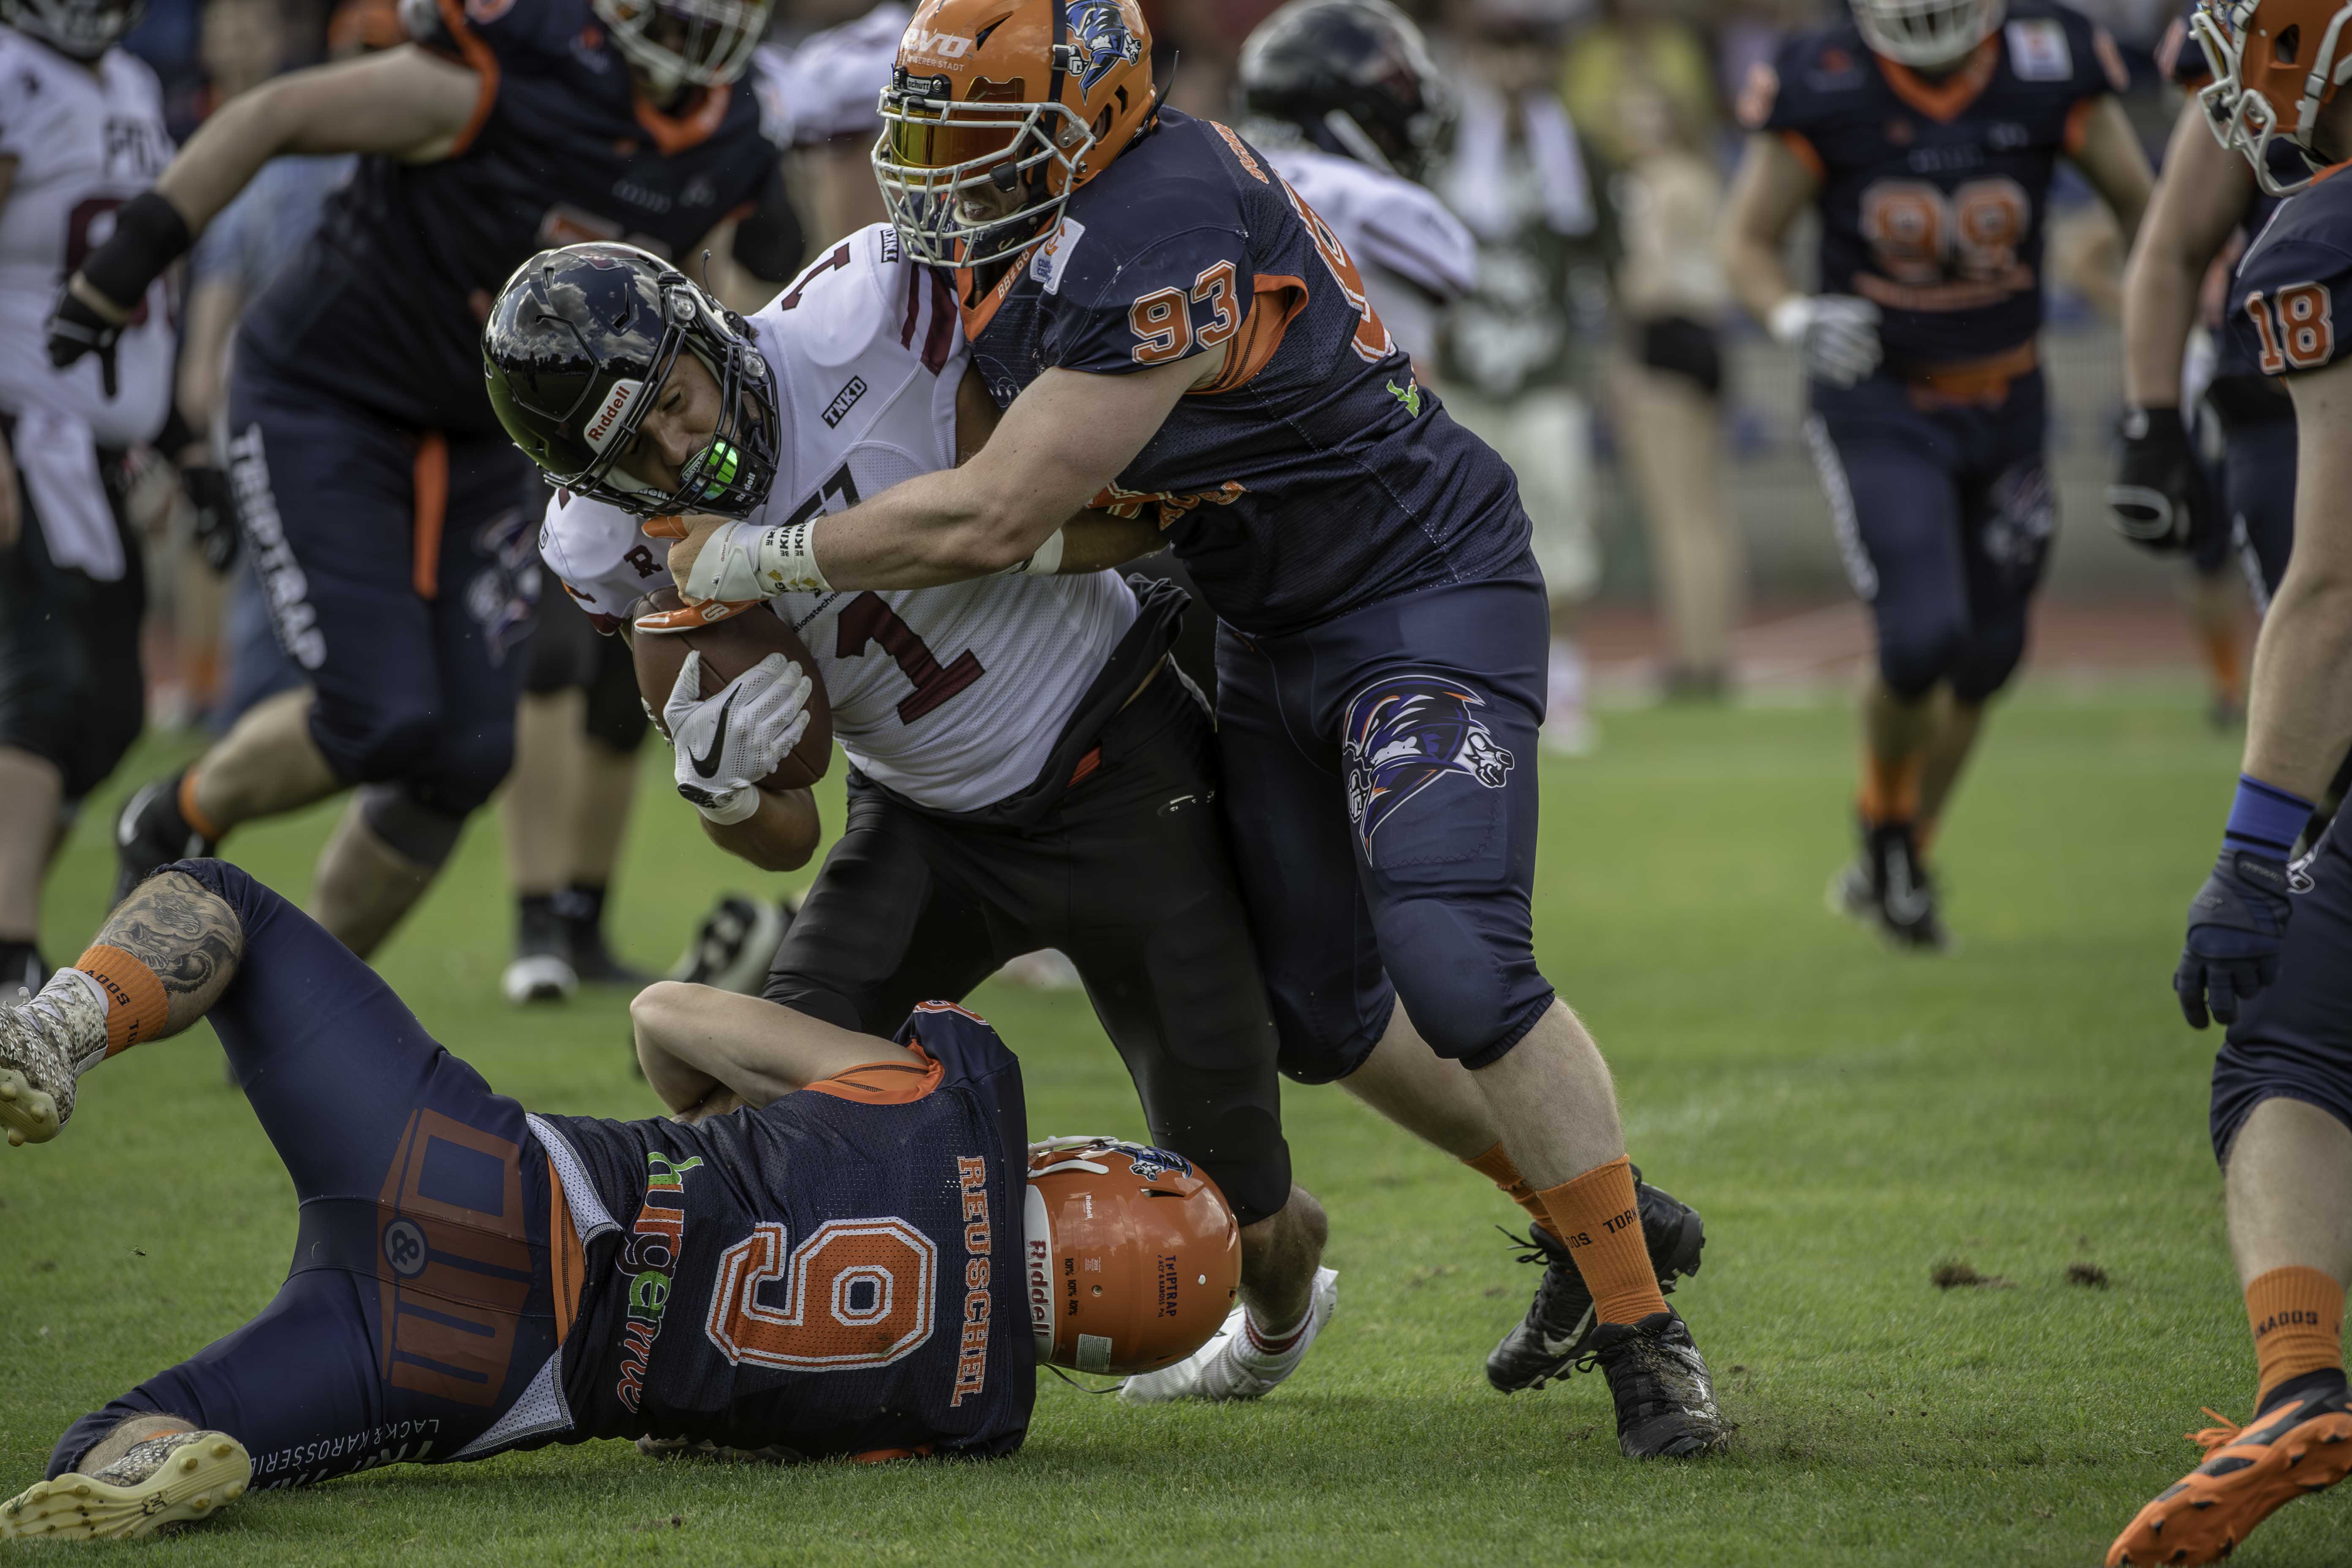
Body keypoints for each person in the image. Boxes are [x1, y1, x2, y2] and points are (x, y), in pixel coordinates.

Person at [666, 0, 1726, 1455]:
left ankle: (1639, 1334)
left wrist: (766, 558)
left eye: (987, 138)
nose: (944, 173)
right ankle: (1605, 1215)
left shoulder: (1151, 220)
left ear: (1090, 119)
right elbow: (1096, 523)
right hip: (1248, 618)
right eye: (936, 136)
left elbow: (997, 509)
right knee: (1320, 1014)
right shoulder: (1024, 236)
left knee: (1458, 961)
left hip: (1411, 587)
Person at [490, 234, 1337, 1400]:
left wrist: (891, 548)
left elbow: (1135, 516)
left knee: (1240, 1210)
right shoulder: (612, 551)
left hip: (1120, 765)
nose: (676, 452)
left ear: (705, 334)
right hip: (923, 820)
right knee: (756, 1124)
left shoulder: (877, 318)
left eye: (672, 405)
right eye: (630, 456)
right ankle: (854, 1320)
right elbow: (783, 833)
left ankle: (1281, 1323)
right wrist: (724, 789)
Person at [0, 861, 1233, 1540]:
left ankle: (55, 1031)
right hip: (484, 1376)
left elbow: (664, 1016)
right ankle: (150, 1463)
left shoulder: (953, 1098)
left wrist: (741, 1137)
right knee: (104, 1443)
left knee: (232, 905)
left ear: (1096, 1173)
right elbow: (688, 1437)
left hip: (497, 1184)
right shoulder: (976, 1418)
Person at [60, 0, 784, 957]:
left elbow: (734, 297)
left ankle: (311, 1003)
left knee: (472, 752)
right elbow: (274, 116)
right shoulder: (515, 66)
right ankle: (174, 813)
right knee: (380, 717)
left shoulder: (730, 135)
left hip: (487, 437)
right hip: (329, 395)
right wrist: (120, 271)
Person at [1722, 0, 2153, 951]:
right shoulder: (1826, 72)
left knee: (1989, 654)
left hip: (2008, 397)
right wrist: (1791, 316)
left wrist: (2152, 312)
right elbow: (1747, 239)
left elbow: (2150, 207)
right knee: (1922, 636)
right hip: (1883, 399)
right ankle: (1885, 834)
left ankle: (1906, 847)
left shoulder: (2050, 57)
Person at [2108, 2, 2352, 1561]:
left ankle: (2299, 1381)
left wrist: (2255, 838)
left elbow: (2324, 592)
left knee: (2285, 1040)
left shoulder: (2315, 233)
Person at [0, 0, 210, 996]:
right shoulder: (9, 69)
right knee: (45, 675)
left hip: (99, 436)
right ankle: (7, 954)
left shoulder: (126, 81)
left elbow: (142, 285)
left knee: (110, 710)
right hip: (22, 423)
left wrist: (176, 435)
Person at [1432, 0, 1608, 752]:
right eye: (1499, 50)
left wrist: (1604, 360)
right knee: (1458, 534)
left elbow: (1606, 262)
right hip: (1460, 370)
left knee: (1560, 522)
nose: (1513, 68)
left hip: (1547, 368)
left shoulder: (1579, 151)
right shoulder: (1438, 144)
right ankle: (1471, 684)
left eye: (1527, 51)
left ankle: (1560, 683)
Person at [2111, 4, 2298, 707]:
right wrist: (2153, 422)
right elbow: (2171, 247)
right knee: (2326, 697)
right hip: (2292, 407)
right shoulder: (2257, 53)